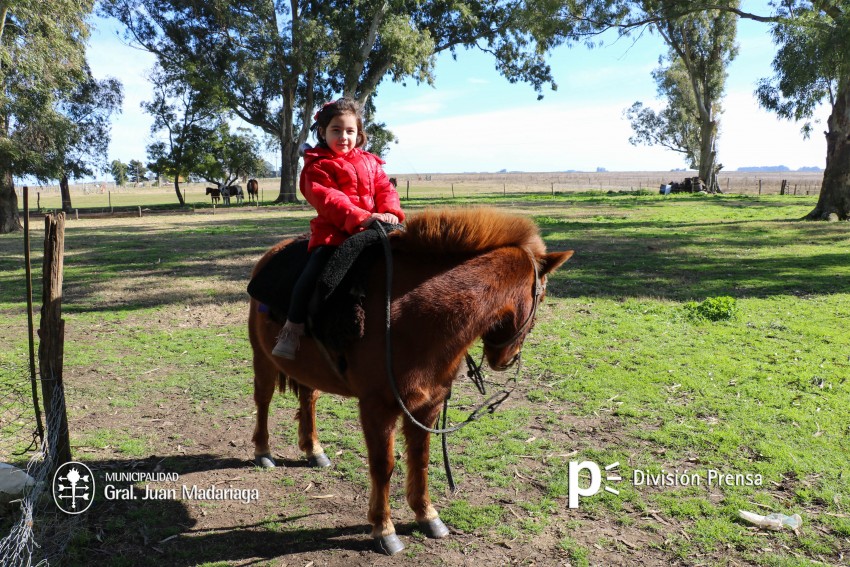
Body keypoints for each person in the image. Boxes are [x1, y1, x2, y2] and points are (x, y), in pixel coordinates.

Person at [272, 97, 405, 359]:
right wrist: (362, 217)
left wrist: (389, 212)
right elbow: (329, 200)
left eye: (350, 131)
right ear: (322, 132)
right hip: (334, 232)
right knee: (314, 274)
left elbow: (385, 189)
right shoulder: (317, 165)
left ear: (359, 134)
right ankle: (292, 327)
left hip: (375, 227)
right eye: (336, 130)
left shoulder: (371, 162)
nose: (343, 137)